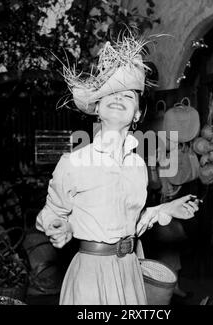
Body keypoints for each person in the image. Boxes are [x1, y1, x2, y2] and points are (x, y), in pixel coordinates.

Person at [36, 33, 199, 305]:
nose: (118, 98)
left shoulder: (137, 166)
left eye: (128, 95)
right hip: (91, 274)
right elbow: (50, 214)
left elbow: (129, 222)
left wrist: (164, 210)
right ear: (97, 107)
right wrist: (58, 224)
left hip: (129, 271)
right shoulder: (74, 162)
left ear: (136, 114)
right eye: (110, 93)